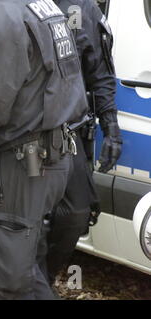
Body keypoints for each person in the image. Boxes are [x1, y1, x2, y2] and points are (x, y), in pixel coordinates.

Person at [0, 0, 88, 299]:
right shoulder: (41, 5)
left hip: (19, 162)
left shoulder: (2, 15)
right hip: (46, 154)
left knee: (4, 282)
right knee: (23, 269)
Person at [42, 0, 122, 284]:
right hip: (21, 128)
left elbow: (100, 73)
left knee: (75, 212)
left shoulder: (81, 8)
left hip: (68, 130)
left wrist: (111, 126)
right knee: (24, 216)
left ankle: (43, 277)